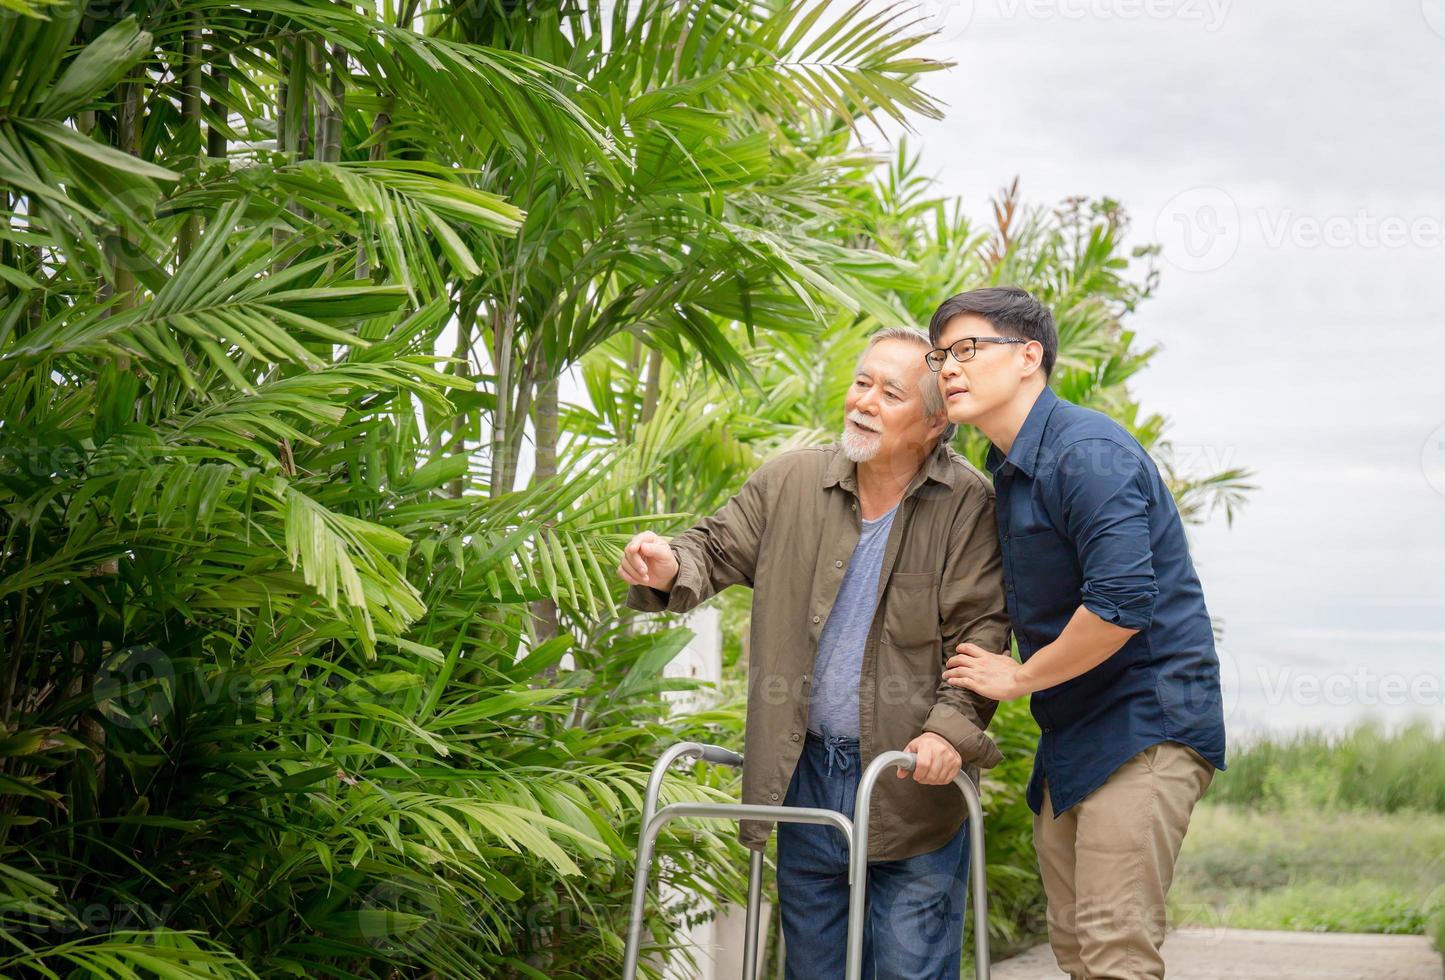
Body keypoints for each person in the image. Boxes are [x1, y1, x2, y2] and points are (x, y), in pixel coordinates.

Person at [619, 326, 1009, 978]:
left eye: (889, 393)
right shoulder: (791, 480)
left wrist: (950, 730)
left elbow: (982, 631)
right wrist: (665, 565)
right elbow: (711, 549)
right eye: (861, 383)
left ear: (936, 422)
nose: (863, 401)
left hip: (909, 782)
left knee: (907, 971)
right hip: (804, 778)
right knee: (814, 970)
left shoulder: (967, 505)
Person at [930, 286, 1227, 980]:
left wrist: (1020, 677)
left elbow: (1122, 603)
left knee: (1113, 952)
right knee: (1078, 953)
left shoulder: (1087, 452)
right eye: (940, 353)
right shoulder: (1008, 473)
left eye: (968, 349)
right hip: (1073, 736)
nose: (948, 367)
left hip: (1144, 726)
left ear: (1029, 356)